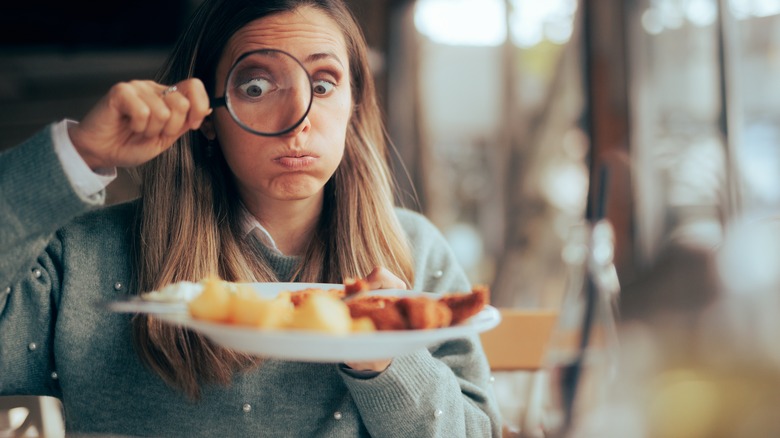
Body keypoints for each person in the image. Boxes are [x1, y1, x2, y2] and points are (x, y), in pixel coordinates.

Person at [0, 0, 502, 436]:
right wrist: (76, 156)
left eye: (324, 85)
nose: (298, 121)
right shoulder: (83, 256)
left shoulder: (416, 249)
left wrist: (389, 358)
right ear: (210, 118)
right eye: (257, 87)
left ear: (355, 106)